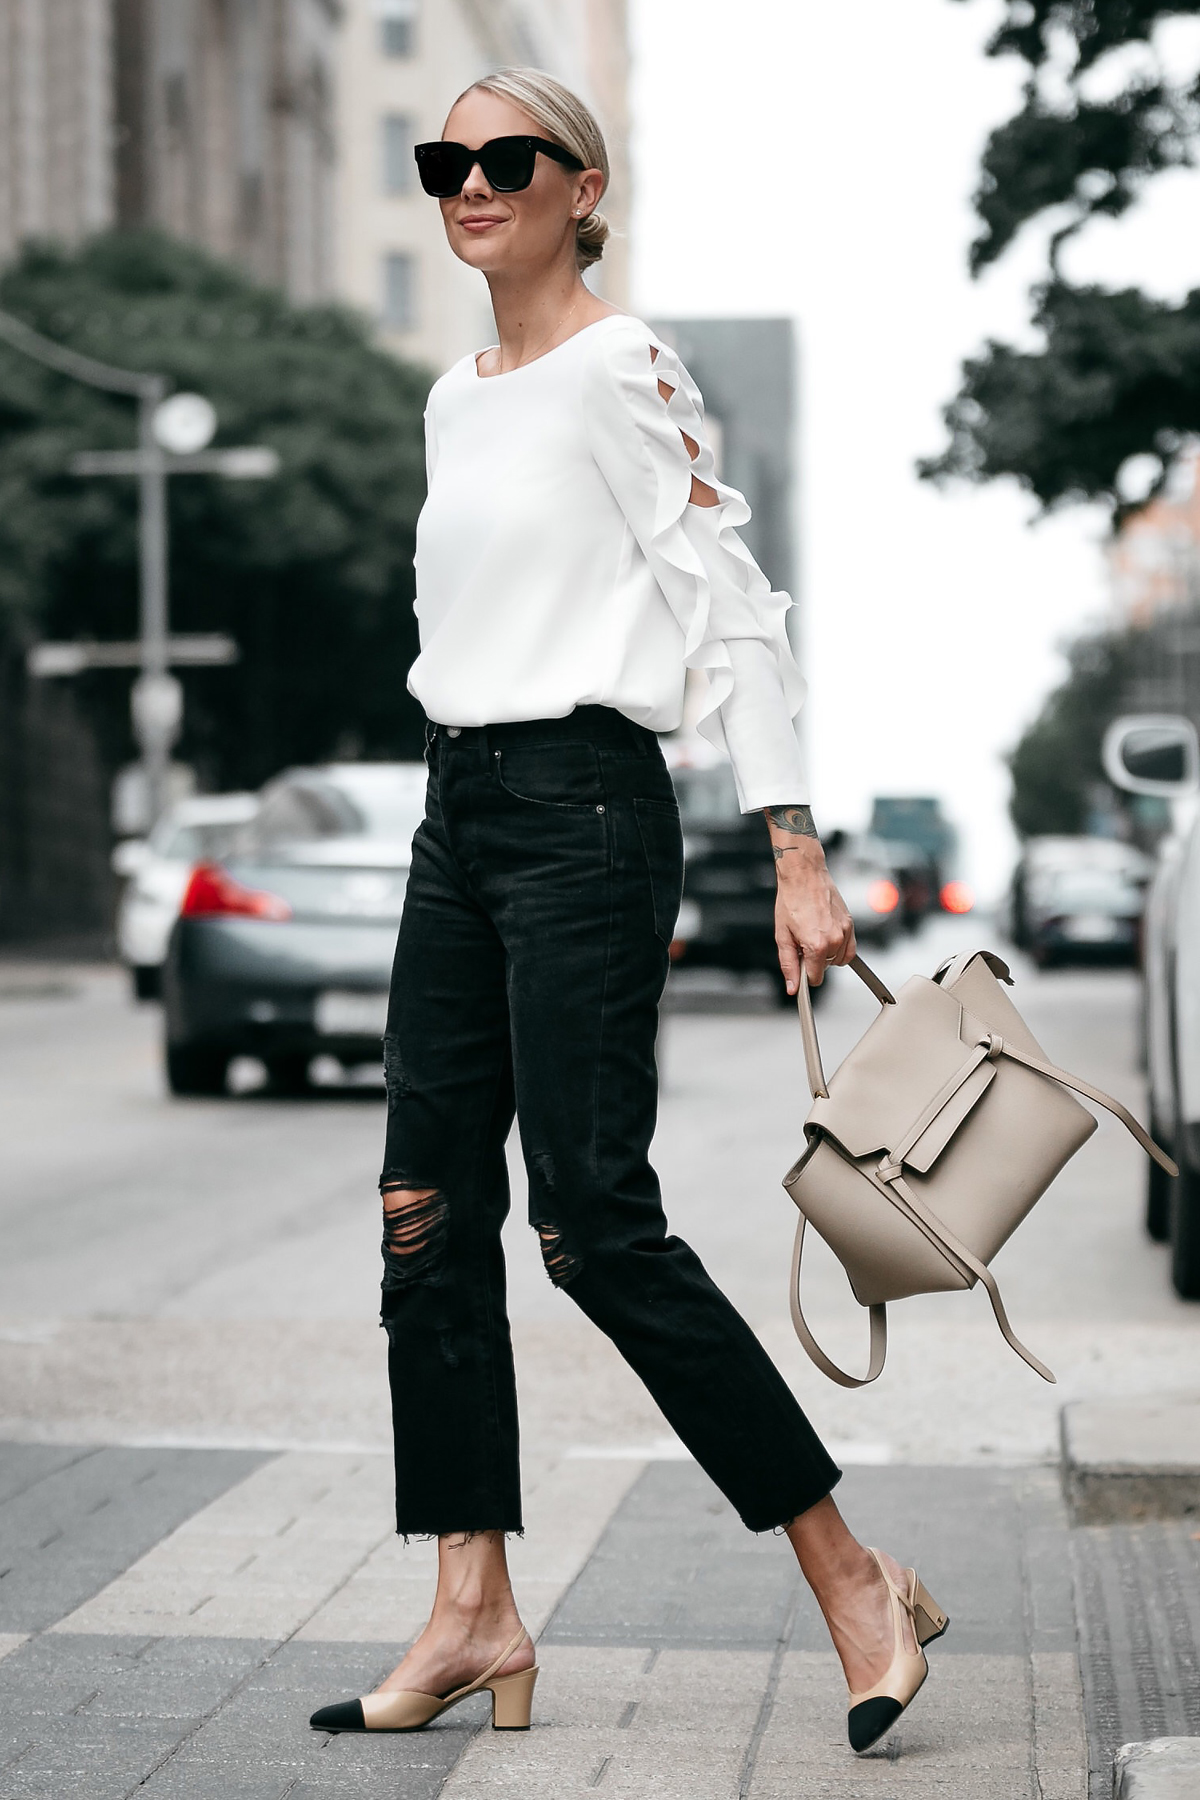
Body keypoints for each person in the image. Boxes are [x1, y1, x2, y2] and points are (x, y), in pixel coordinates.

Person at [310, 67, 947, 1755]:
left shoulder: (620, 363)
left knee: (595, 1224)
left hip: (589, 814)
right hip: (461, 810)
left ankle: (853, 1577)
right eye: (446, 161)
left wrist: (795, 850)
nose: (467, 184)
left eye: (504, 160)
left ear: (584, 187)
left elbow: (731, 606)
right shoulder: (457, 396)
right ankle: (471, 1608)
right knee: (422, 1212)